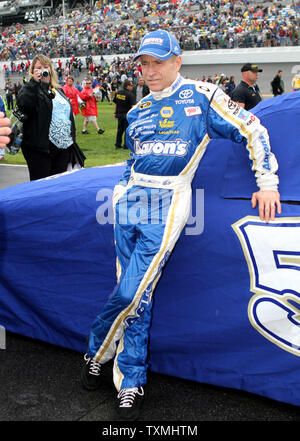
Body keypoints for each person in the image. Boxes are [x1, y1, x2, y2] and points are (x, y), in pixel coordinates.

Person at [81, 30, 281, 421]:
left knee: (131, 291)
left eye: (159, 62)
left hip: (169, 201)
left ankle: (95, 351)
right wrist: (121, 192)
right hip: (128, 203)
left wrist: (267, 183)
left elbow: (253, 129)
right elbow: (132, 162)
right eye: (145, 63)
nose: (150, 71)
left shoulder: (202, 96)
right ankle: (131, 379)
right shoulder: (137, 111)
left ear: (178, 61)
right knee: (140, 295)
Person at [16, 54, 81, 181]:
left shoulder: (58, 89)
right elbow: (24, 104)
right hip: (40, 148)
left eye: (46, 67)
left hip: (63, 147)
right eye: (38, 68)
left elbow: (67, 113)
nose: (43, 70)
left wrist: (72, 134)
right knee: (41, 186)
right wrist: (34, 82)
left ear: (50, 69)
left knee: (57, 185)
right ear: (32, 71)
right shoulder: (31, 88)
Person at [113, 79, 135, 149]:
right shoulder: (130, 94)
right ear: (127, 86)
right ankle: (126, 145)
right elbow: (133, 106)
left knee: (120, 130)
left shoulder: (118, 93)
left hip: (119, 114)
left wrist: (115, 113)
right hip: (127, 115)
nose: (132, 87)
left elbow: (115, 103)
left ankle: (117, 144)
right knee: (127, 130)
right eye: (131, 85)